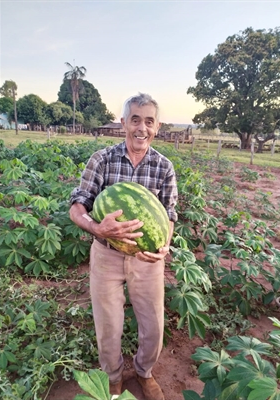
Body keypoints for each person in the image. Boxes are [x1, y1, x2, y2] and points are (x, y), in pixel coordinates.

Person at [69, 93, 178, 400]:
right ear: (123, 124)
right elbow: (78, 205)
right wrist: (95, 226)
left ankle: (144, 372)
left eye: (148, 121)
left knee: (153, 326)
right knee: (108, 327)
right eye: (135, 120)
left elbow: (169, 214)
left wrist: (163, 243)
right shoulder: (101, 160)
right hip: (106, 254)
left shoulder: (164, 167)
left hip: (147, 259)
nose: (141, 128)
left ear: (156, 127)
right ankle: (113, 377)